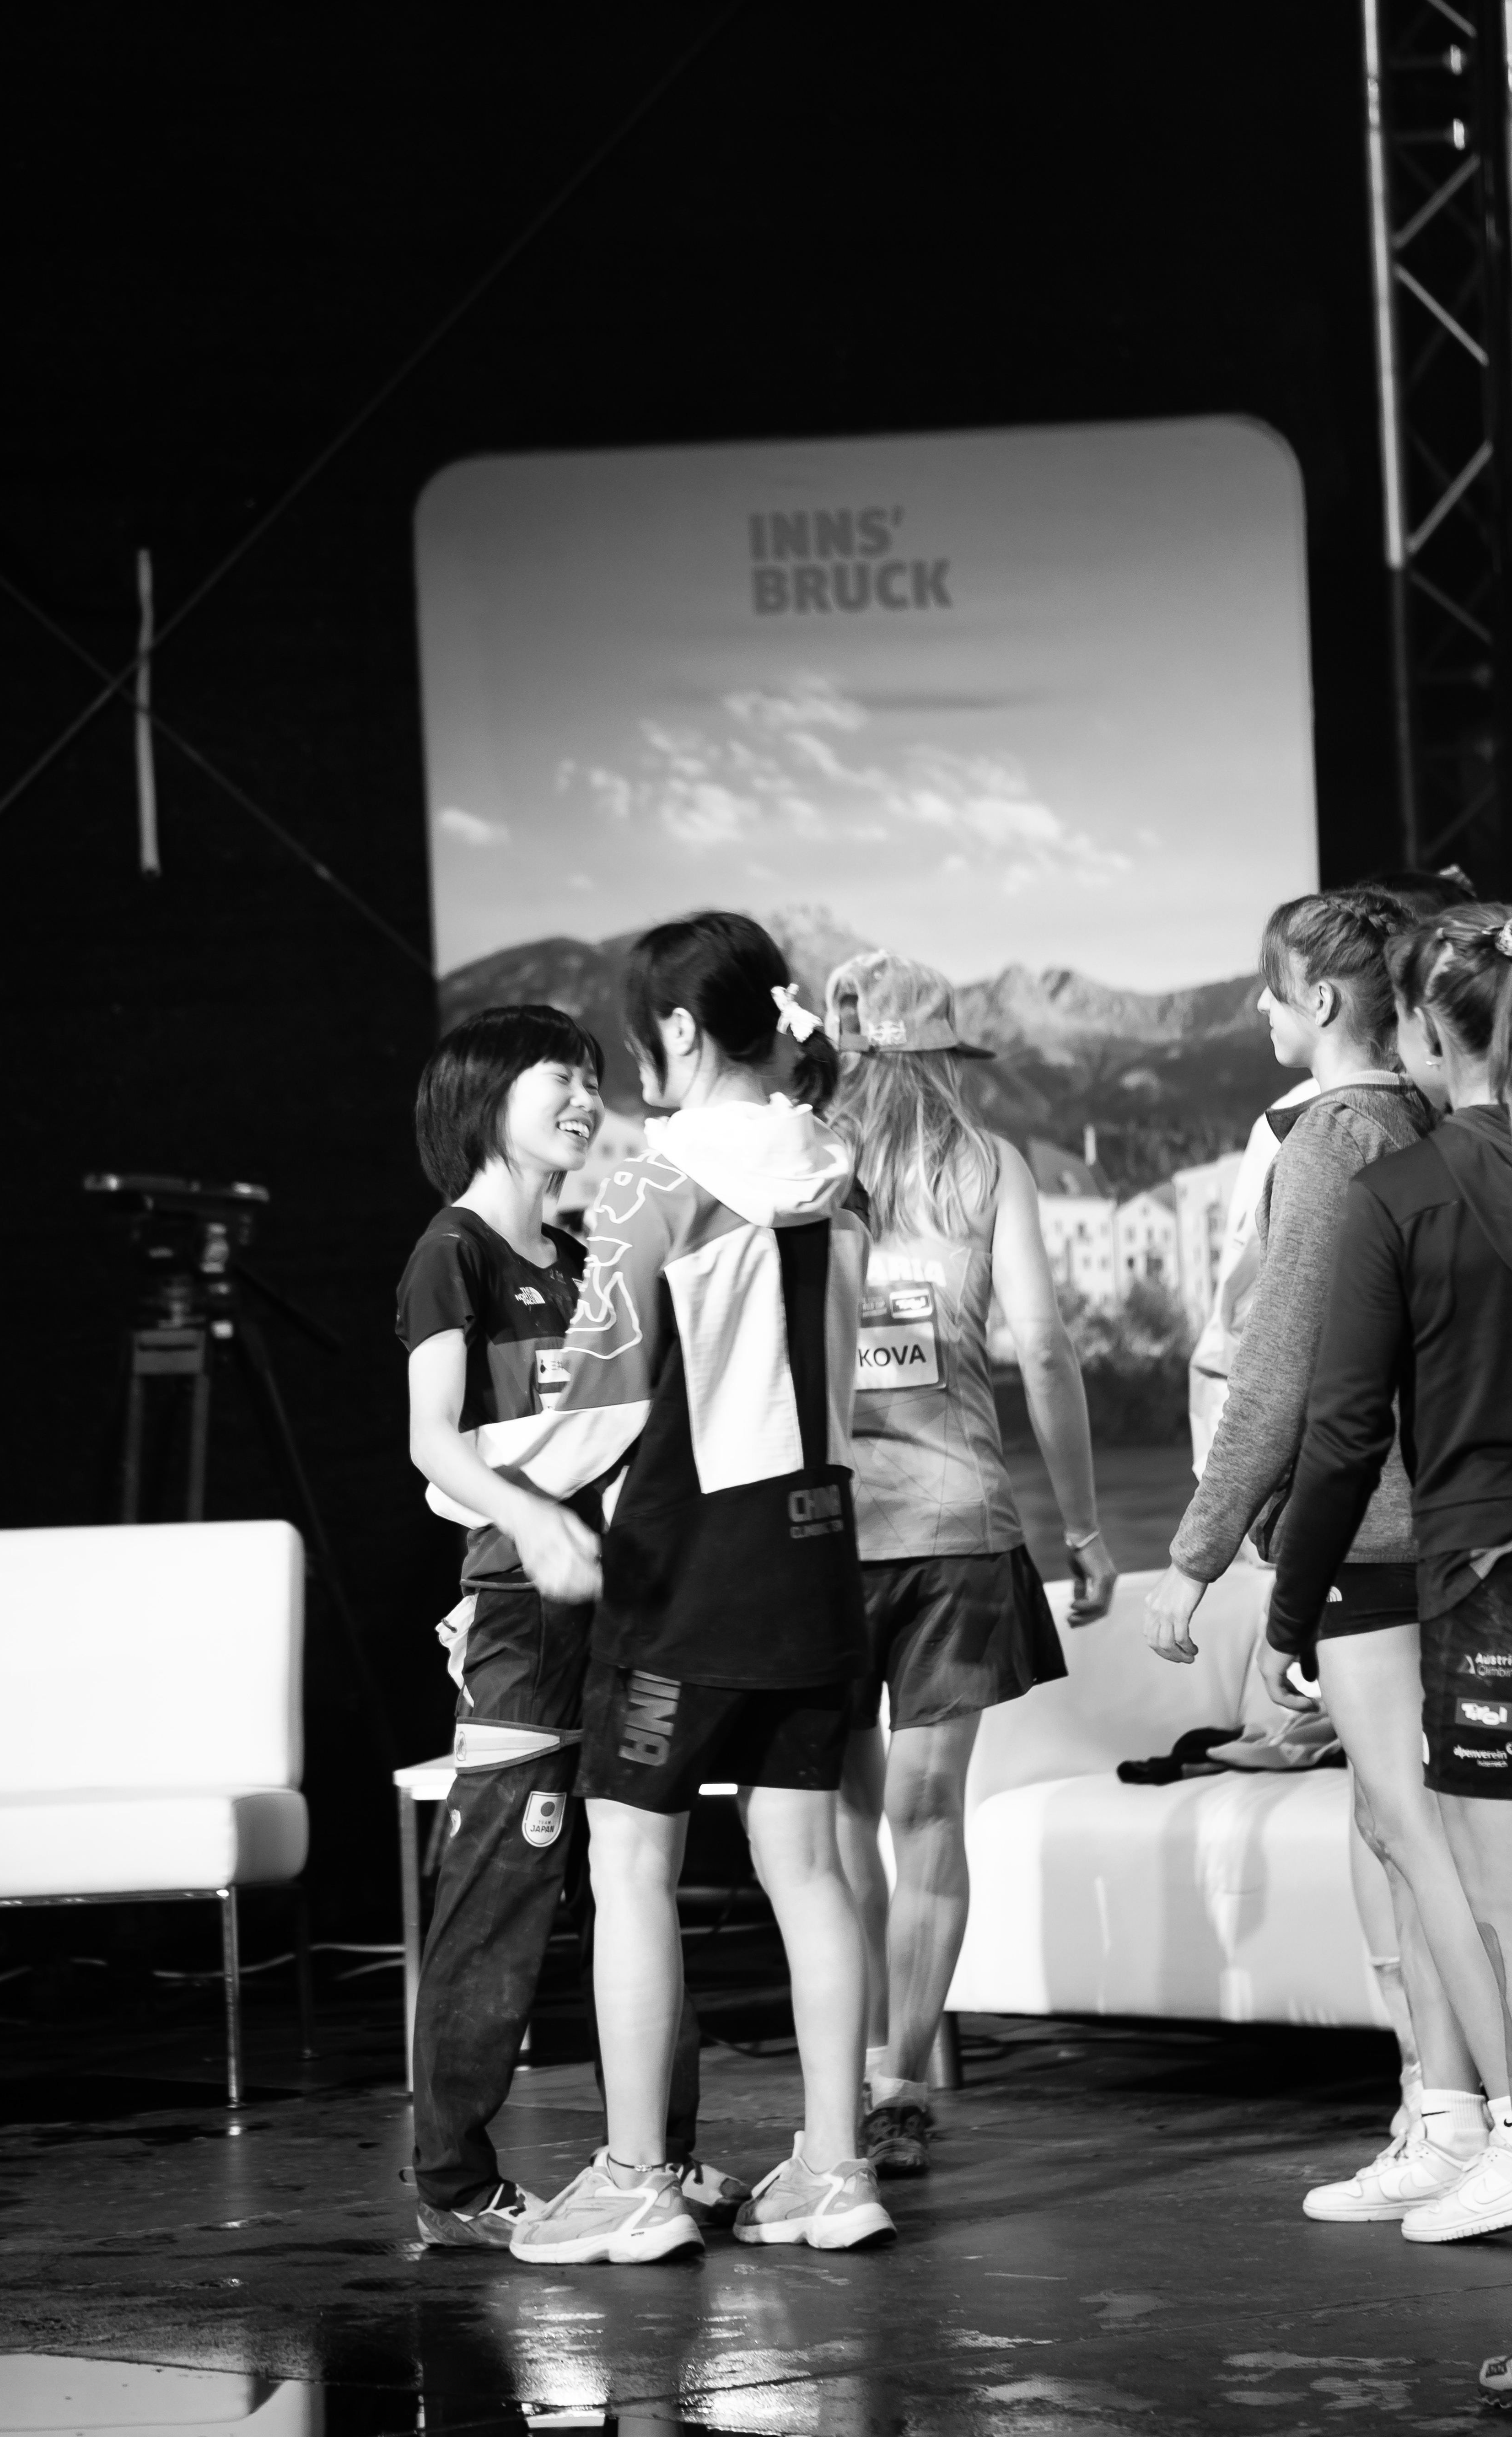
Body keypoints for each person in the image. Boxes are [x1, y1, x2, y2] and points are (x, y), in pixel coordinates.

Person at [504, 911, 893, 2264]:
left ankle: (635, 2179)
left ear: (676, 1031)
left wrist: (478, 1477)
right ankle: (836, 2168)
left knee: (630, 1864)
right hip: (818, 1566)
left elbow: (594, 1418)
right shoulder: (842, 1175)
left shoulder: (651, 1187)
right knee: (811, 1870)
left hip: (684, 1575)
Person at [1144, 889, 1512, 2231]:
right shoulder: (1429, 1118)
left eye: (1269, 987)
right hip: (1439, 1524)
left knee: (1420, 1835)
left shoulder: (1328, 1139)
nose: (1256, 1009)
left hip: (1372, 1530)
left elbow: (1282, 1374)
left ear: (1318, 1002)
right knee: (1410, 1830)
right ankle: (1454, 2117)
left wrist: (1195, 1555)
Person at [1262, 903, 1512, 2405]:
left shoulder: (1395, 1191)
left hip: (1505, 1600)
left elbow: (1338, 1435)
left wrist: (1286, 1614)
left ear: (1423, 1031)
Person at [398, 1004, 739, 2249]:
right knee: (504, 1887)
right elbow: (432, 1439)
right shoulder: (454, 1251)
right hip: (520, 1612)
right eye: (561, 1077)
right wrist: (531, 1522)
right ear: (485, 1094)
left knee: (634, 1876)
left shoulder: (594, 1251)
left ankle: (658, 2157)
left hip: (630, 1602)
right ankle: (452, 2183)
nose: (588, 1100)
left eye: (595, 1078)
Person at [823, 949, 1116, 2177]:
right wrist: (1084, 1528)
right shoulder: (991, 1165)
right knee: (929, 1811)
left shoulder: (803, 1165)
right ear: (948, 1057)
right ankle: (900, 2090)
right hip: (958, 1534)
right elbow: (1043, 1349)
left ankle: (845, 2083)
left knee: (844, 1814)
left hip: (822, 1538)